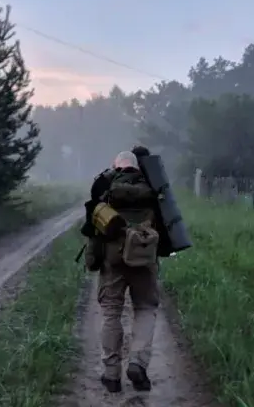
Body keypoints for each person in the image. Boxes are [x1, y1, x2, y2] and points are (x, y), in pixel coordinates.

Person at [84, 150, 159, 393]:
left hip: (113, 262)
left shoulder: (106, 189)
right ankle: (137, 362)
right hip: (144, 260)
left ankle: (112, 374)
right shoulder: (153, 188)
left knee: (111, 314)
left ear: (116, 166)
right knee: (146, 309)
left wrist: (92, 260)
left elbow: (94, 231)